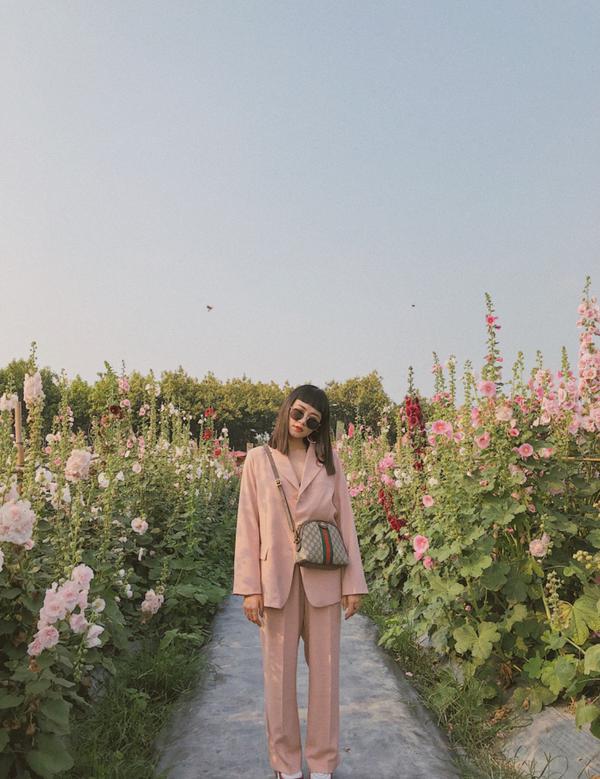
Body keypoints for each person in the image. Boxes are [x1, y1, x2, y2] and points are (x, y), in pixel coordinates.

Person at [232, 384, 369, 779]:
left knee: (325, 674)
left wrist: (353, 584)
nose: (302, 423)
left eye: (312, 420)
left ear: (319, 427)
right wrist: (250, 588)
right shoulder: (258, 460)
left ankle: (323, 763)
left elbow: (345, 521)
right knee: (278, 677)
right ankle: (286, 764)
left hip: (324, 578)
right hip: (274, 581)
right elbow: (248, 524)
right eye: (298, 413)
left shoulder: (329, 462)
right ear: (286, 409)